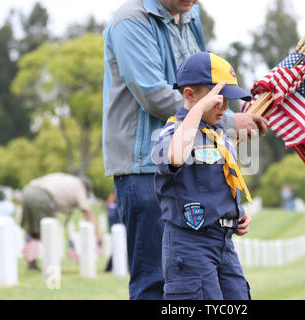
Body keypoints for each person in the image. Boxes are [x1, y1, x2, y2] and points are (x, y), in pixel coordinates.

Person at [103, 0, 268, 300]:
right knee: (156, 282)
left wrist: (235, 211)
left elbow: (204, 76)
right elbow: (154, 94)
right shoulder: (130, 20)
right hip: (143, 167)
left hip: (195, 173)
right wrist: (230, 120)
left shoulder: (190, 14)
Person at [152, 52, 252, 300]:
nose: (225, 107)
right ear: (189, 95)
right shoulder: (175, 130)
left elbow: (215, 183)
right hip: (189, 244)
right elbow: (174, 156)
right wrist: (198, 110)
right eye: (217, 99)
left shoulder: (218, 135)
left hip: (223, 243)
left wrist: (235, 214)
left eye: (228, 100)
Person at [20, 173, 102, 269]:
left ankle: (31, 262)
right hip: (41, 197)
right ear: (85, 186)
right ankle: (50, 264)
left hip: (27, 191)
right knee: (48, 232)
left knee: (32, 231)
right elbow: (88, 213)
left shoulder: (68, 179)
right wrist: (98, 235)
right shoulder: (79, 187)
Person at [104, 190, 121, 272]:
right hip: (117, 229)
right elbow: (112, 217)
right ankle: (108, 267)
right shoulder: (112, 205)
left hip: (119, 229)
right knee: (116, 249)